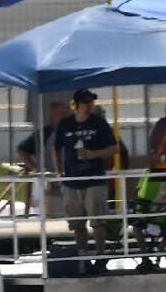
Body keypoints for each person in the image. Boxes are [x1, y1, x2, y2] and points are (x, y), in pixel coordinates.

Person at [52, 88, 118, 266]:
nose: (88, 105)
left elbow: (114, 148)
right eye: (85, 102)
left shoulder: (98, 123)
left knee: (98, 221)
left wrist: (94, 154)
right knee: (77, 224)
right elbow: (56, 148)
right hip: (72, 181)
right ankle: (82, 257)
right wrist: (59, 173)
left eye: (91, 102)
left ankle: (101, 256)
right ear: (77, 104)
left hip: (95, 180)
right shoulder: (65, 124)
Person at [16, 102, 70, 215]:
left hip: (70, 183)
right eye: (60, 113)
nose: (64, 116)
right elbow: (22, 150)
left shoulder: (70, 132)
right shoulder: (45, 133)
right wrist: (36, 169)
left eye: (65, 113)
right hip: (51, 186)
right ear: (52, 115)